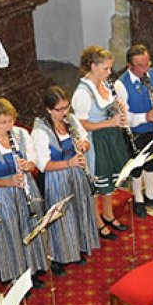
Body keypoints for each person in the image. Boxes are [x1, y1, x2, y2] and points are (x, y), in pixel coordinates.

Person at [0, 98, 50, 284]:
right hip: (2, 193)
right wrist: (9, 181)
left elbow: (34, 162)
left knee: (30, 227)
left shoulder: (21, 134)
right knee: (11, 232)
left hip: (26, 187)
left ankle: (33, 269)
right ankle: (17, 275)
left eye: (10, 121)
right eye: (2, 122)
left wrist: (29, 165)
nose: (8, 126)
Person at [31, 86, 102, 268]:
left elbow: (85, 139)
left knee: (78, 209)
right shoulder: (40, 131)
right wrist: (69, 163)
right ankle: (59, 256)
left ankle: (77, 247)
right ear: (48, 109)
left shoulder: (70, 120)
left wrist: (83, 145)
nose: (64, 112)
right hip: (56, 178)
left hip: (75, 173)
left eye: (66, 107)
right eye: (59, 110)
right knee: (62, 218)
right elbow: (43, 165)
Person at [72, 45, 130, 239]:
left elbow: (109, 109)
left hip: (110, 138)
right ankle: (97, 220)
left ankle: (108, 214)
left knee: (111, 181)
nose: (109, 72)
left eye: (110, 68)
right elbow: (80, 125)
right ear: (93, 66)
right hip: (95, 142)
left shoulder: (105, 85)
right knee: (98, 184)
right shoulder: (82, 93)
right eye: (105, 68)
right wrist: (110, 122)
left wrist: (118, 107)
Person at [113, 44, 153, 217]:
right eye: (140, 66)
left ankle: (151, 195)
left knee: (152, 162)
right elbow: (124, 117)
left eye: (147, 64)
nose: (145, 69)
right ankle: (138, 198)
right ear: (129, 66)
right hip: (136, 132)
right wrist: (144, 118)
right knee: (137, 167)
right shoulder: (120, 85)